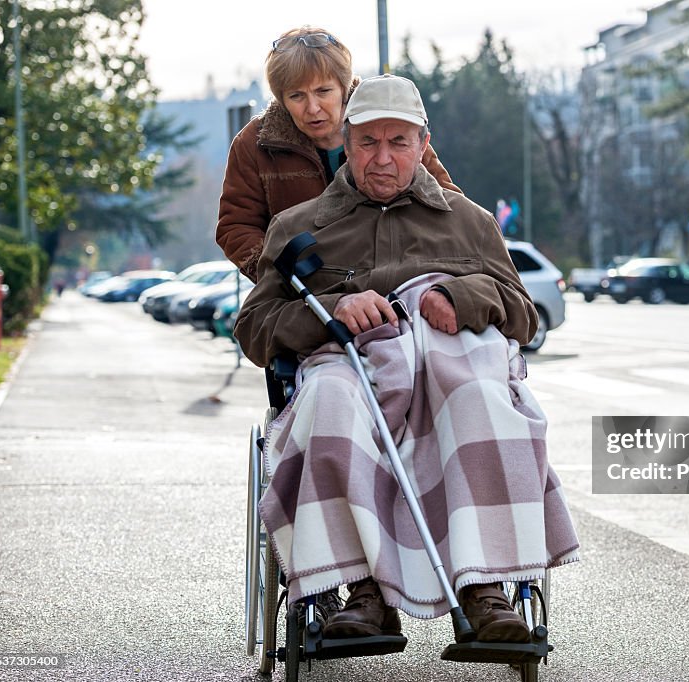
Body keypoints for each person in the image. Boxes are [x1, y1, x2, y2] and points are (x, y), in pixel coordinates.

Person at [234, 74, 580, 644]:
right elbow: (253, 328)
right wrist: (334, 306)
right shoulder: (298, 228)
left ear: (423, 143)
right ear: (346, 141)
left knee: (478, 399)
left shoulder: (469, 222)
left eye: (399, 142)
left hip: (454, 365)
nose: (384, 158)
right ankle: (362, 591)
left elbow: (523, 314)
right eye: (369, 142)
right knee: (330, 404)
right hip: (350, 367)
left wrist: (461, 297)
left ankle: (485, 588)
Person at [216, 26, 460, 282]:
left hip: (395, 282)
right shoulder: (255, 143)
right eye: (297, 95)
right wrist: (286, 276)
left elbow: (445, 204)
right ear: (281, 99)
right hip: (303, 296)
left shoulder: (388, 125)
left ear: (344, 88)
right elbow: (236, 227)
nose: (312, 107)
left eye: (323, 91)